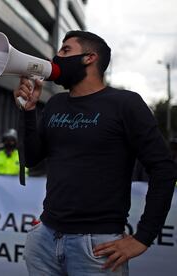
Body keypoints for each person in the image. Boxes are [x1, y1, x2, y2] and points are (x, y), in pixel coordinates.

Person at [14, 30, 176, 275]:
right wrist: (27, 112)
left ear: (89, 58)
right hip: (45, 239)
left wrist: (143, 237)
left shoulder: (125, 104)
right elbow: (32, 158)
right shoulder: (56, 103)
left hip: (97, 247)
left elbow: (163, 168)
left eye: (65, 50)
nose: (56, 57)